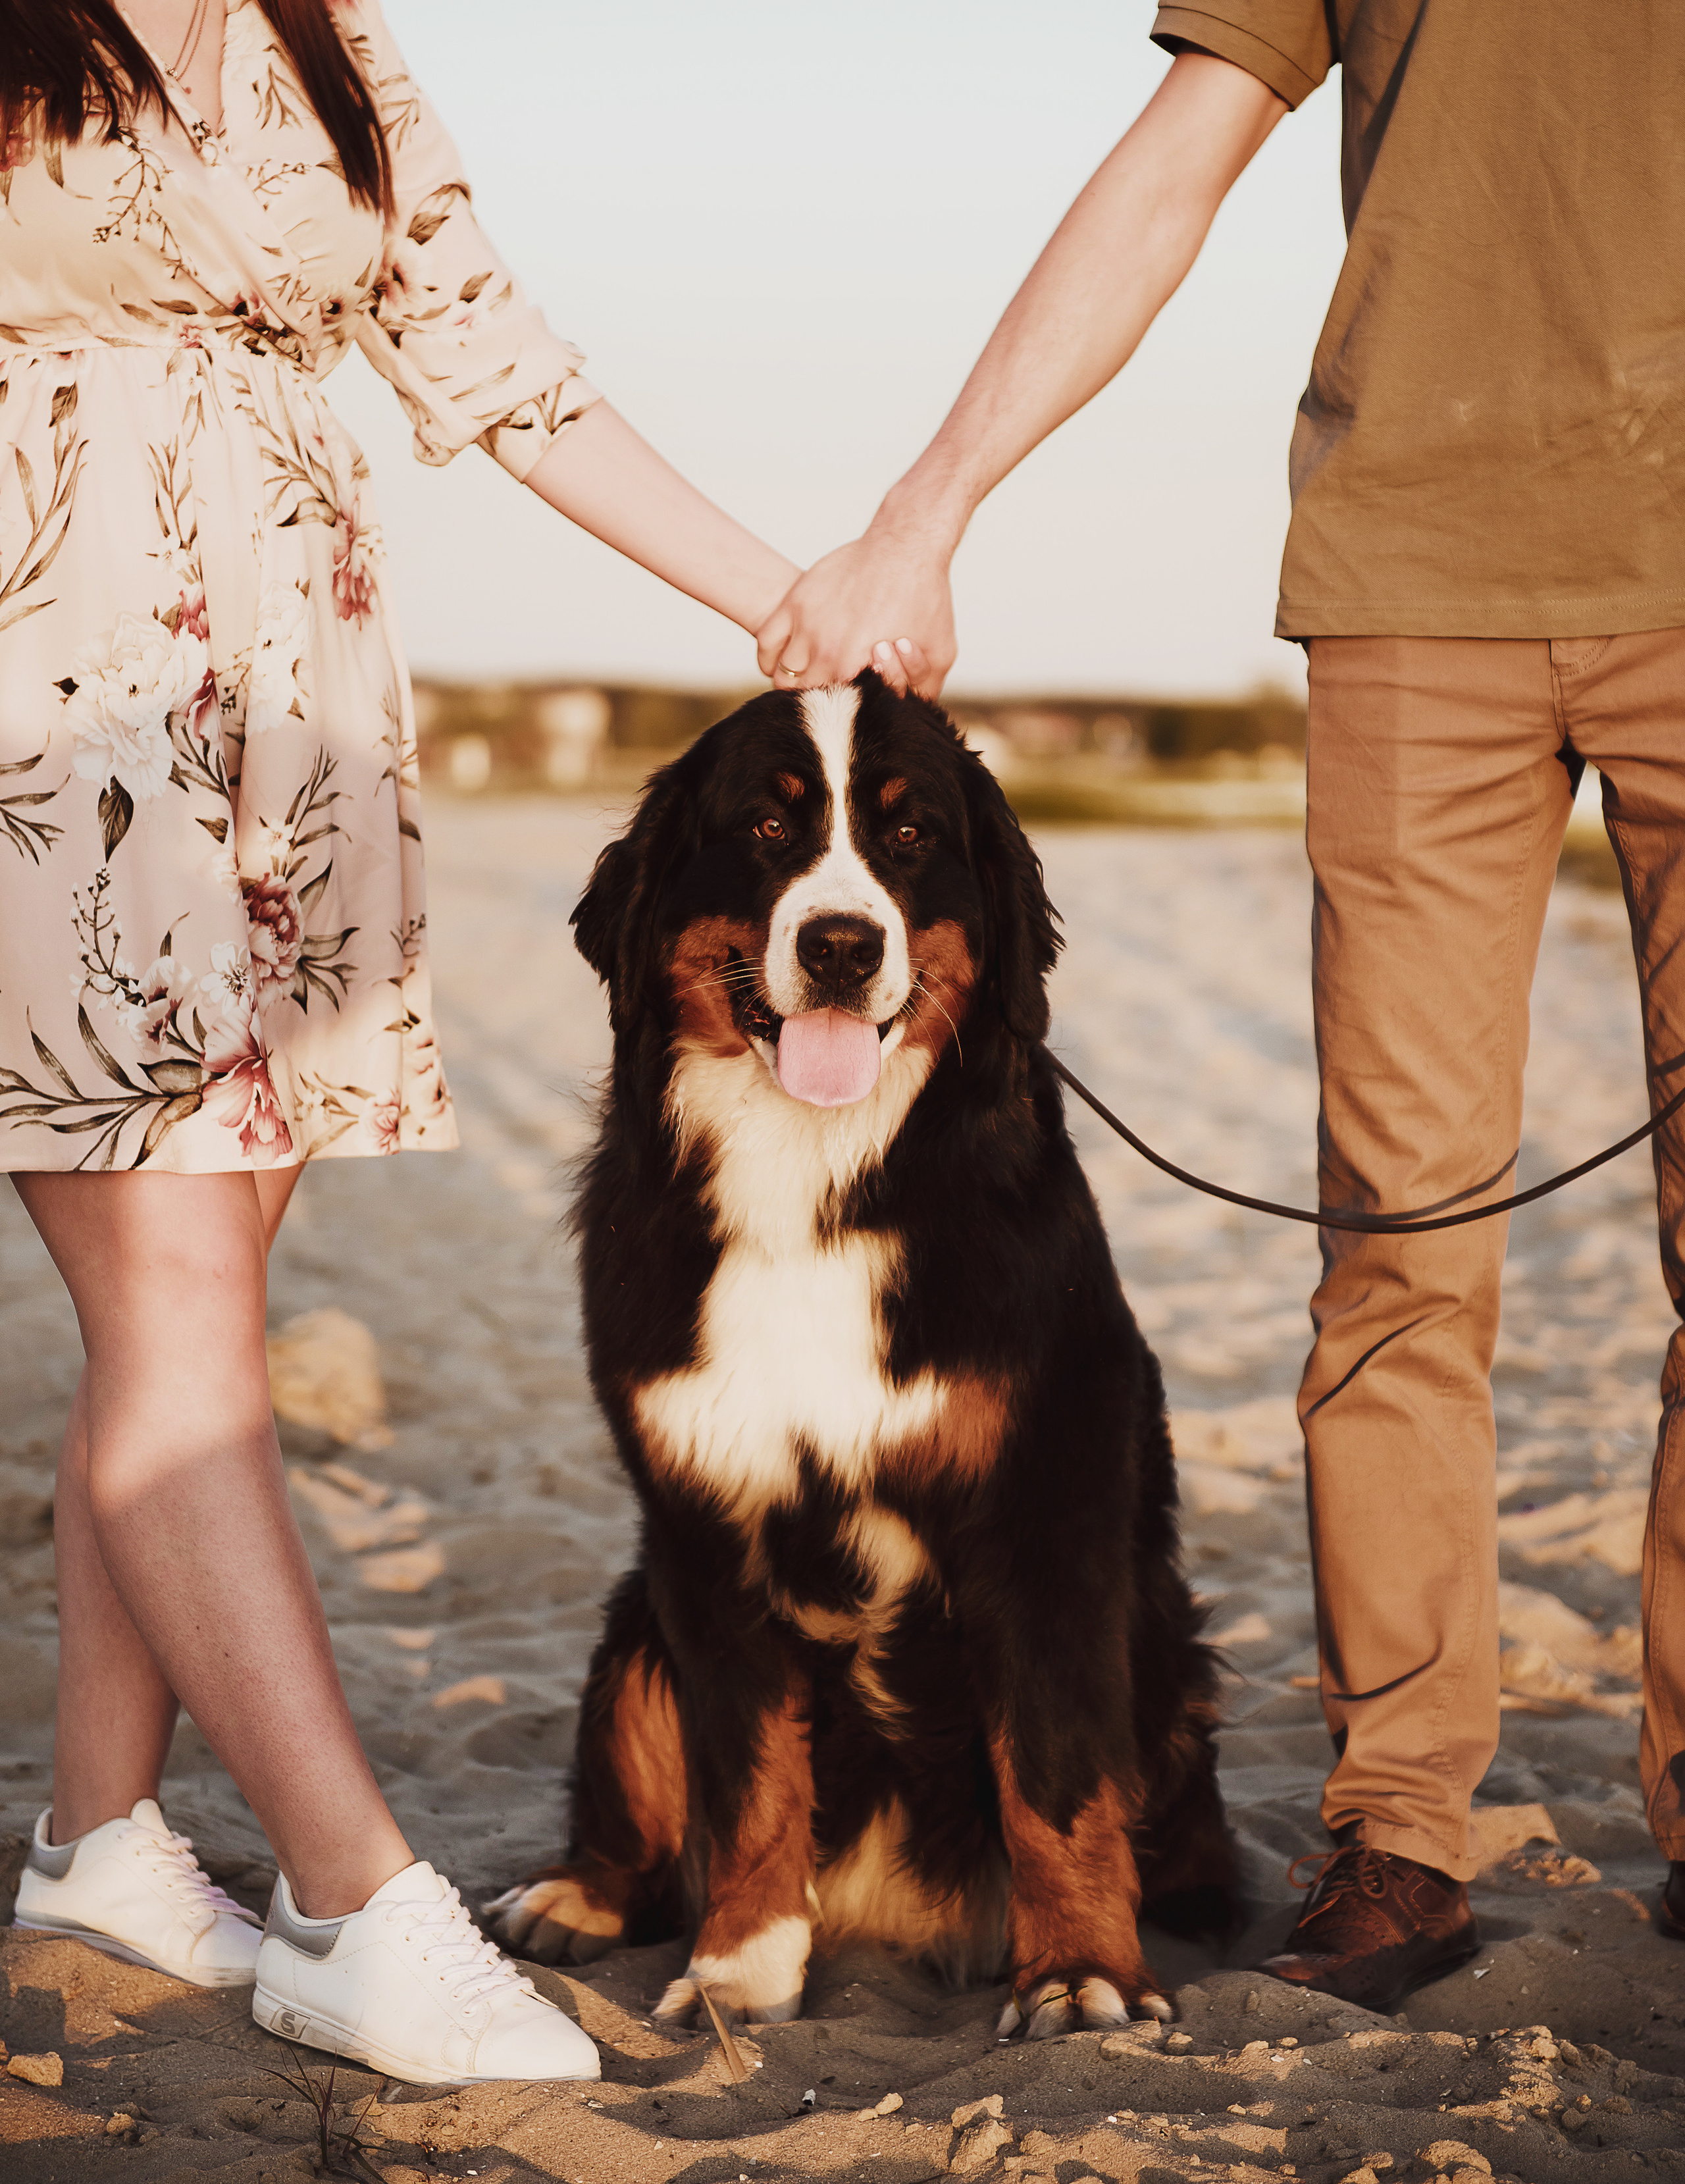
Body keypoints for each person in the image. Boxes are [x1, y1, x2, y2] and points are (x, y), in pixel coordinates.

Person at [758, 4, 1685, 2010]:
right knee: (1402, 1249)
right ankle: (1404, 1834)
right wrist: (932, 504)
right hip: (1418, 577)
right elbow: (1181, 152)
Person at [0, 0, 879, 2086]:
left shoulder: (328, 38)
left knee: (180, 1306)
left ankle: (101, 1839)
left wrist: (794, 604)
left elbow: (502, 364)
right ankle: (354, 1900)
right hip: (53, 726)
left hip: (292, 741)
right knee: (182, 1298)